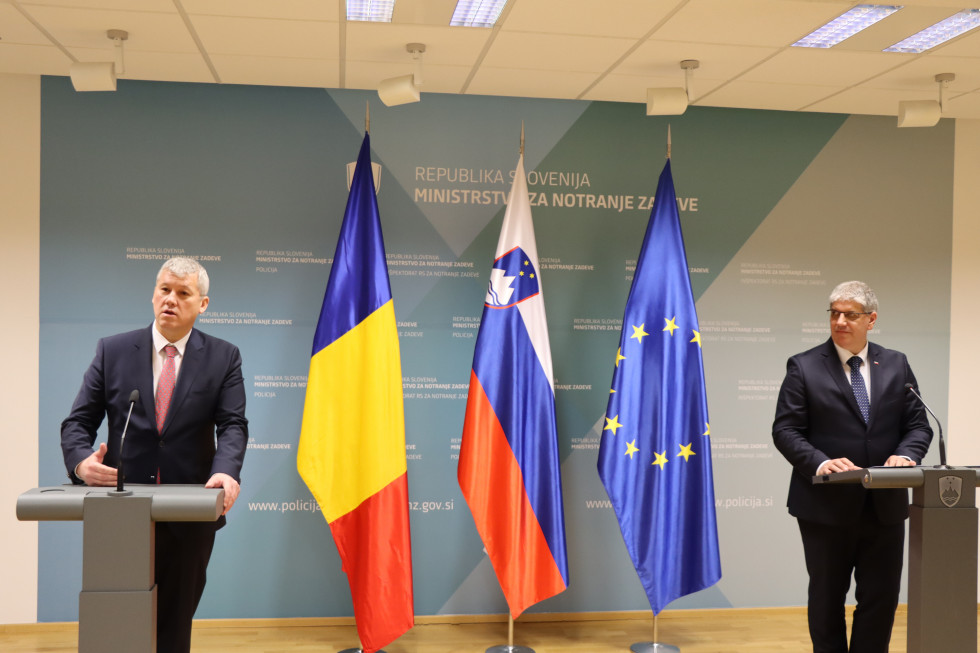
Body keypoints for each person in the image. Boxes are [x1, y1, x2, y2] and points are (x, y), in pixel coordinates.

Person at [61, 256, 248, 653]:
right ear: (153, 295)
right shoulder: (113, 351)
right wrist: (82, 463)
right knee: (115, 621)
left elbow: (232, 424)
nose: (171, 300)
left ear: (203, 305)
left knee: (174, 625)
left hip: (188, 513)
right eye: (165, 289)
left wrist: (226, 472)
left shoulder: (223, 356)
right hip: (119, 511)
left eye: (184, 293)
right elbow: (77, 423)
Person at [772, 280, 932, 653]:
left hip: (885, 505)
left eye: (850, 314)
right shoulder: (804, 366)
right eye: (834, 313)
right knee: (827, 600)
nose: (840, 321)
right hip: (826, 506)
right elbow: (785, 429)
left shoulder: (896, 363)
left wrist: (907, 455)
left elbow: (918, 425)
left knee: (880, 600)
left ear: (871, 319)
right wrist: (821, 461)